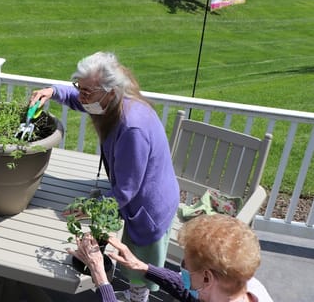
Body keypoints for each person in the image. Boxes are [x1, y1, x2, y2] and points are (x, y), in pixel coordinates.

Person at [30, 51, 179, 302]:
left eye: (88, 91)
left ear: (110, 91)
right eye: (81, 88)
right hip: (138, 196)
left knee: (138, 265)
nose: (82, 96)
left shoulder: (132, 127)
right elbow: (79, 100)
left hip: (149, 207)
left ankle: (136, 297)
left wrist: (86, 208)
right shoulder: (109, 101)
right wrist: (52, 91)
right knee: (128, 255)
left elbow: (126, 191)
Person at [68, 214, 274, 302]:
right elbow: (190, 294)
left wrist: (99, 275)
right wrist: (143, 267)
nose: (181, 271)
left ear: (207, 278)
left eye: (186, 267)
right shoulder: (242, 285)